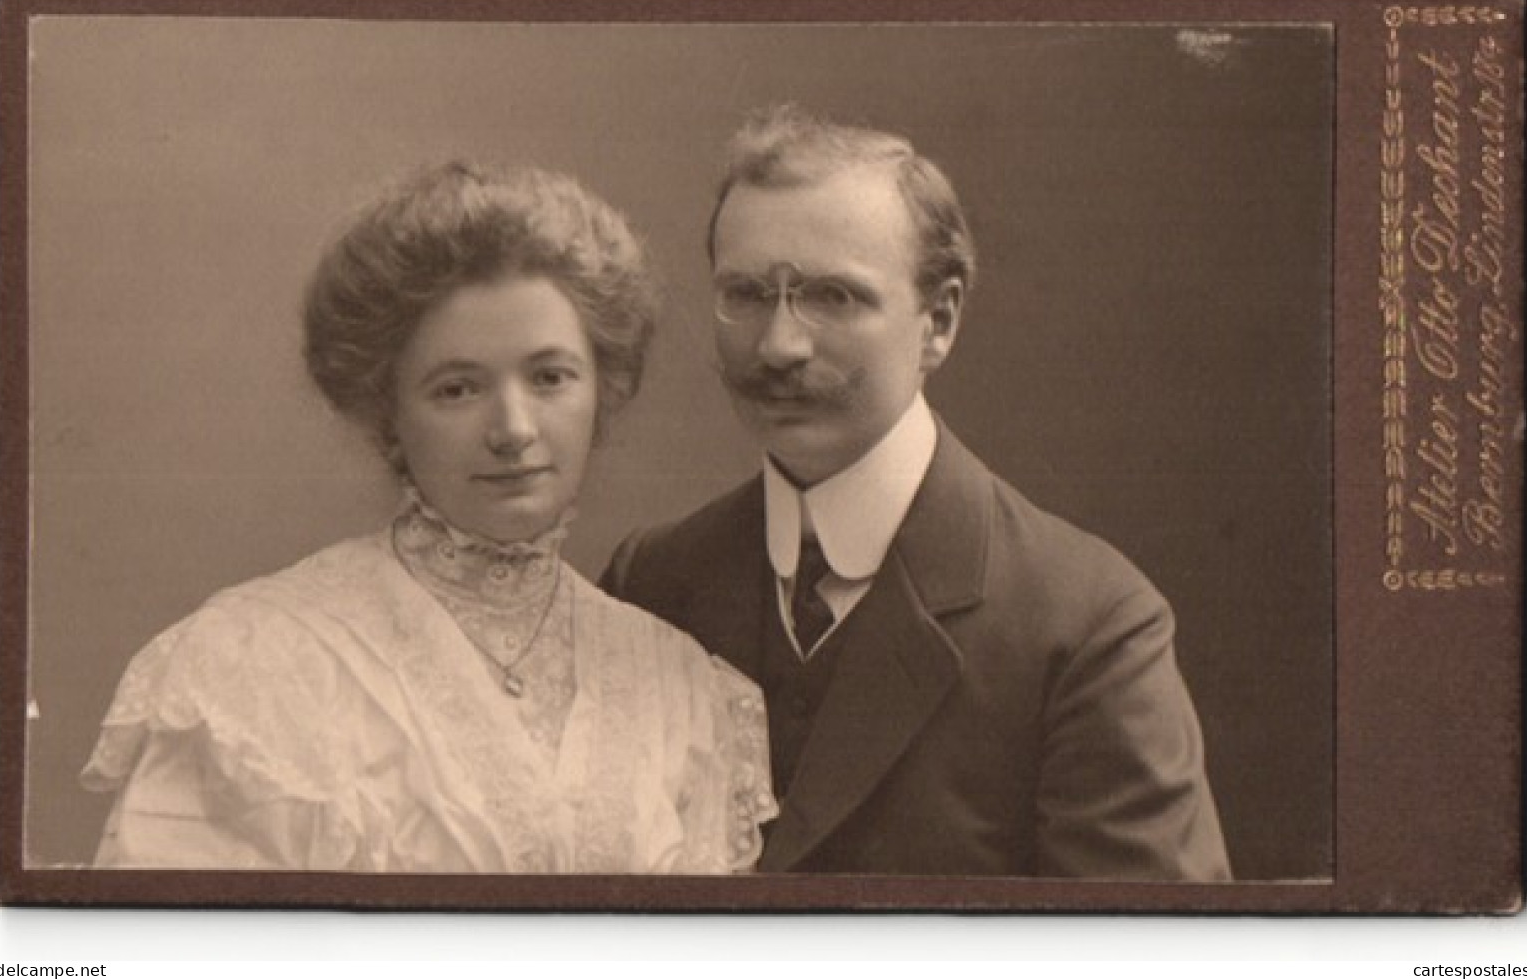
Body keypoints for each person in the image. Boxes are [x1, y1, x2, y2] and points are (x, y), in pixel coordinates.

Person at [81, 161, 776, 873]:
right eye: (457, 388)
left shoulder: (680, 686)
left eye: (549, 377)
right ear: (387, 413)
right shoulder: (256, 663)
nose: (513, 427)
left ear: (603, 385)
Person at [601, 105, 1231, 879]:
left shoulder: (1086, 626)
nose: (779, 345)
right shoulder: (652, 584)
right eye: (747, 293)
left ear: (938, 320)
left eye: (834, 296)